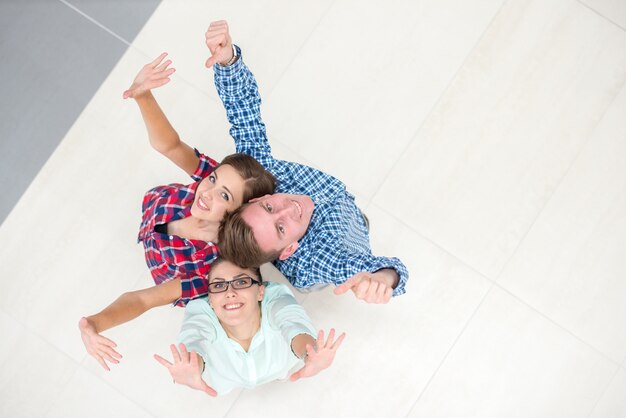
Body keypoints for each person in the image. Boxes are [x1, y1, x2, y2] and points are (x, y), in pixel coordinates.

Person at [79, 53, 276, 371]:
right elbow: (169, 145)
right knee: (169, 214)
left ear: (238, 214)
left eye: (223, 195)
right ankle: (153, 229)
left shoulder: (209, 272)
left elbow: (142, 300)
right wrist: (143, 96)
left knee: (161, 238)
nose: (207, 191)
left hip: (165, 258)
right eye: (212, 179)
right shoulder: (209, 183)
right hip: (159, 211)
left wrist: (94, 323)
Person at [203, 21, 409, 305]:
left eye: (270, 207)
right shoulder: (321, 256)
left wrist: (227, 61)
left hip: (331, 206)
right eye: (281, 228)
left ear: (261, 196)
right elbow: (379, 270)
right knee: (321, 271)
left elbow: (244, 114)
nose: (288, 209)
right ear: (288, 249)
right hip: (339, 241)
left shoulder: (265, 176)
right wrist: (383, 279)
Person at [154, 258, 346, 396]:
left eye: (241, 282)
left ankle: (279, 375)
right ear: (210, 299)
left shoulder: (276, 297)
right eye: (219, 286)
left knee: (281, 372)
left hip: (277, 364)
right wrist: (192, 363)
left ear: (260, 291)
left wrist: (308, 353)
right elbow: (195, 335)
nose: (230, 293)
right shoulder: (200, 310)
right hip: (230, 377)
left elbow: (291, 321)